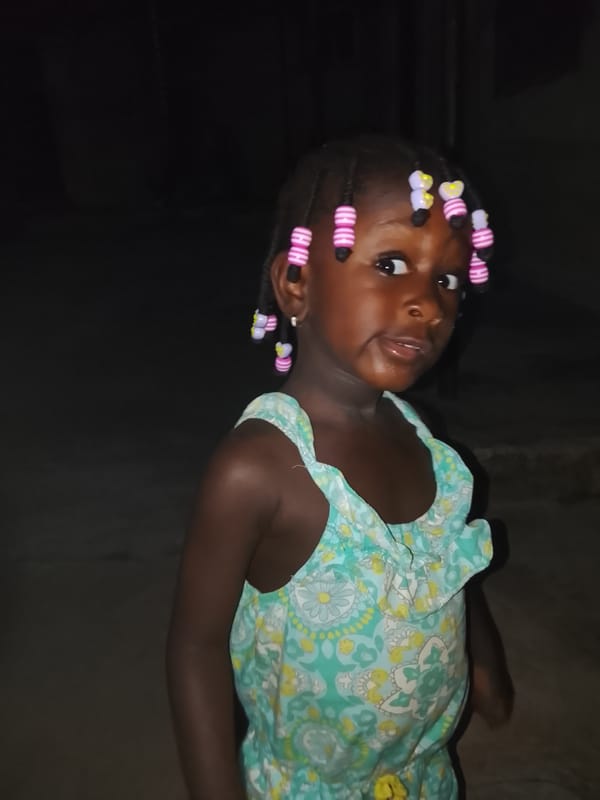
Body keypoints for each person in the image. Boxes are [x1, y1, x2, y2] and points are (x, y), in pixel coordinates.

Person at [166, 134, 513, 800]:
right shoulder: (258, 469)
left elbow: (448, 569)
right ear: (296, 284)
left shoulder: (423, 442)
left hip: (424, 777)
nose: (428, 303)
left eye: (445, 278)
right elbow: (194, 649)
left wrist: (485, 662)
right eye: (390, 264)